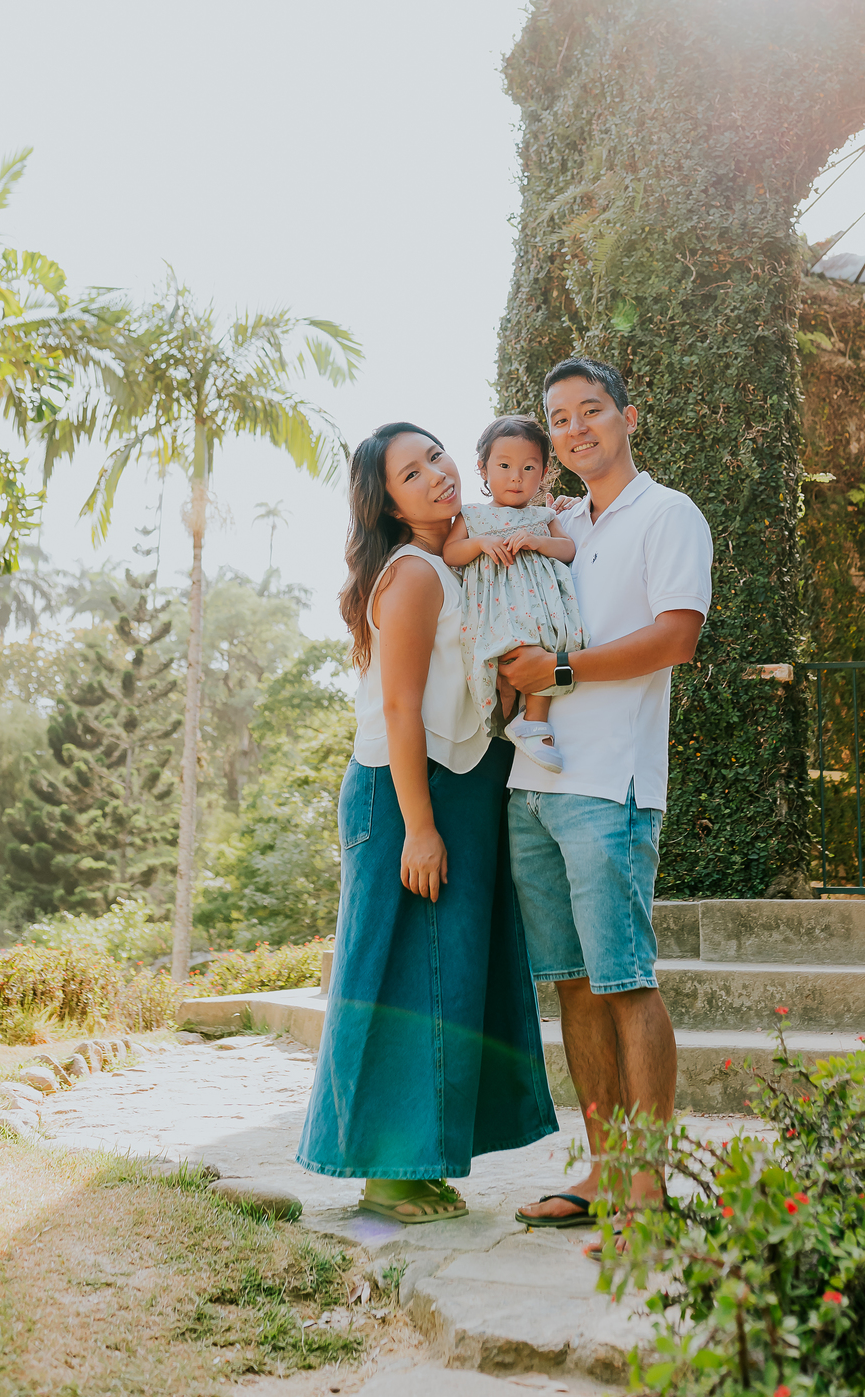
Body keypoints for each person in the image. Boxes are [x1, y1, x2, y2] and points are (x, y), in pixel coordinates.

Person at [296, 422, 557, 1221]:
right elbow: (401, 708)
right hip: (408, 792)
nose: (438, 475)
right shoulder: (413, 574)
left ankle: (420, 1160)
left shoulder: (464, 560)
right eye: (413, 472)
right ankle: (387, 1174)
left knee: (451, 975)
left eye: (438, 455)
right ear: (391, 502)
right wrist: (418, 826)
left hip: (464, 785)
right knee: (404, 975)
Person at [497, 359, 713, 1234]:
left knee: (625, 981)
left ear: (629, 415)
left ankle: (648, 1183)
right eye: (559, 417)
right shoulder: (559, 520)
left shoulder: (668, 514)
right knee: (573, 988)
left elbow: (675, 636)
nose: (576, 426)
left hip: (609, 787)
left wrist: (556, 670)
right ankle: (602, 1168)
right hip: (533, 782)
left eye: (592, 410)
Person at [442, 413, 586, 773]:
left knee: (552, 645)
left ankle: (534, 721)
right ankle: (520, 722)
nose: (516, 477)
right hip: (495, 606)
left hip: (541, 604)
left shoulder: (543, 515)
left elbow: (568, 550)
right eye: (504, 465)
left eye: (528, 467)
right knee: (511, 654)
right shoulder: (471, 515)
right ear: (483, 468)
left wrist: (539, 541)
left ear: (543, 470)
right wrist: (480, 543)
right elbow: (450, 553)